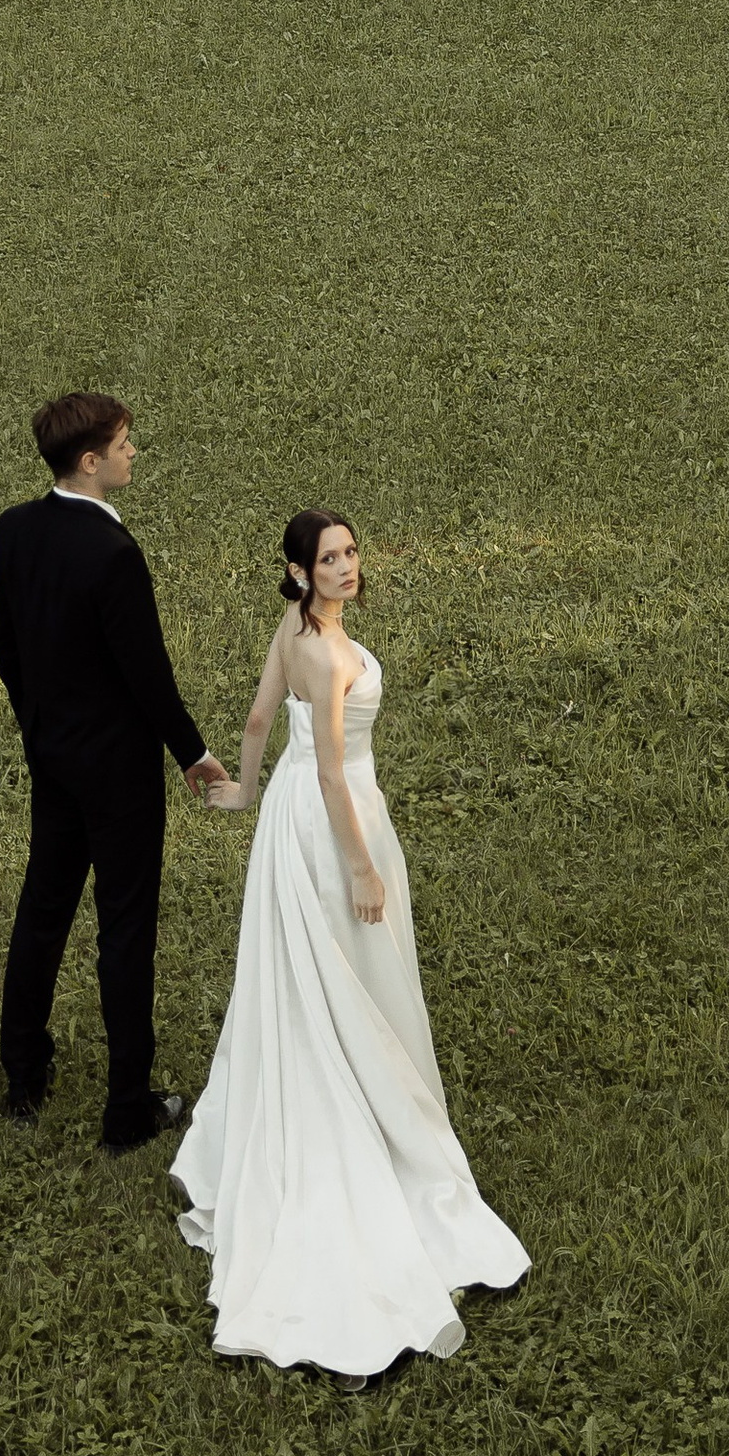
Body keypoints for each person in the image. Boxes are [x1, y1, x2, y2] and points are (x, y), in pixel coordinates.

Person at [173, 510, 529, 1373]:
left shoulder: (291, 633)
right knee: (359, 971)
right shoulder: (329, 654)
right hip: (337, 823)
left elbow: (259, 719)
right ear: (297, 572)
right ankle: (368, 1113)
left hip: (288, 818)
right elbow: (334, 771)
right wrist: (364, 869)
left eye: (351, 553)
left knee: (312, 975)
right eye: (329, 559)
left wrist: (244, 796)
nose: (346, 568)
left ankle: (336, 1073)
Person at [0, 392, 229, 1151]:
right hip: (119, 775)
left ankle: (23, 1075)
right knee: (125, 929)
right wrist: (193, 753)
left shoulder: (15, 529)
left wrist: (36, 728)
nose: (132, 454)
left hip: (53, 760)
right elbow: (145, 674)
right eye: (124, 444)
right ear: (89, 461)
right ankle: (128, 1108)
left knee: (43, 911)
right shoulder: (114, 556)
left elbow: (1, 642)